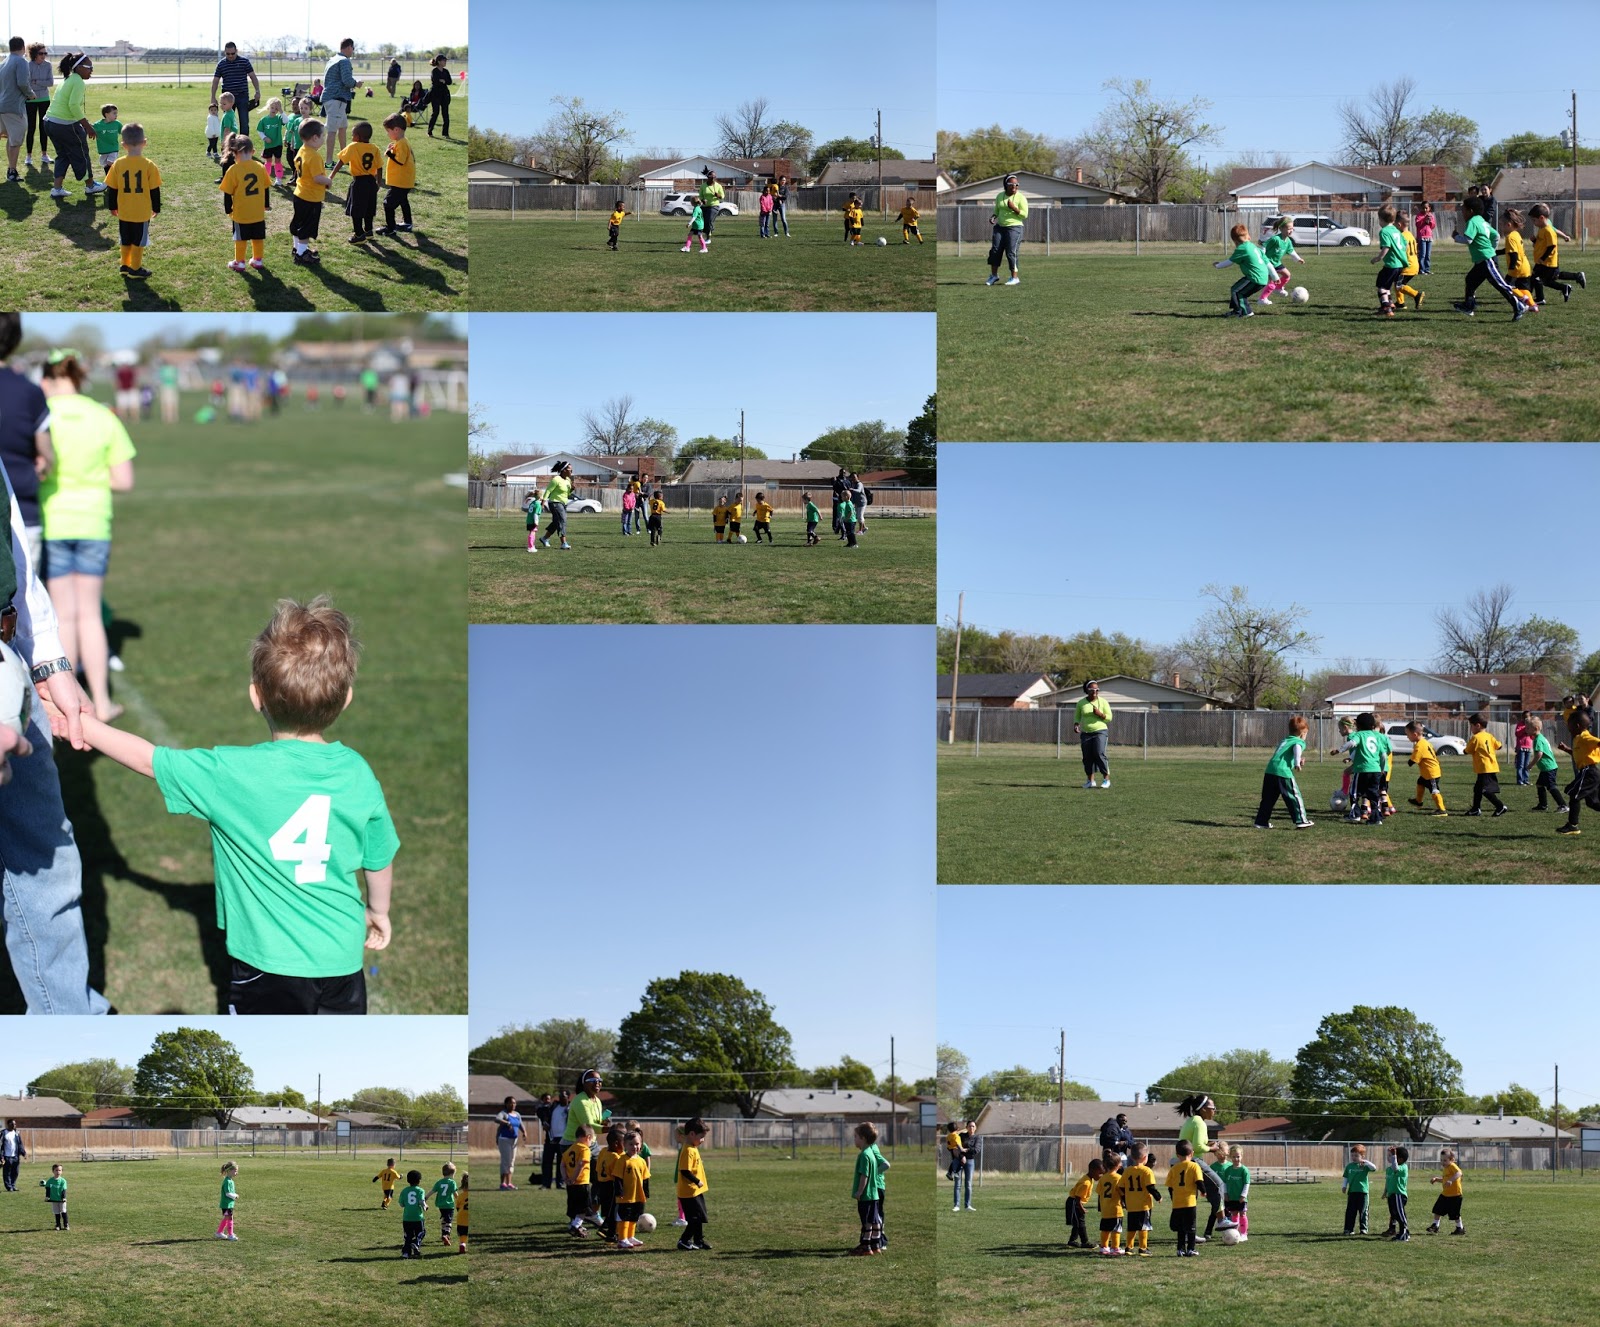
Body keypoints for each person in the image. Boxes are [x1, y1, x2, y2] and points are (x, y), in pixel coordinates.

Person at [76, 596, 400, 1014]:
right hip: (342, 960)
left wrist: (79, 723)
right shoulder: (357, 771)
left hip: (267, 964)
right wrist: (378, 910)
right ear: (346, 698)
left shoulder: (231, 772)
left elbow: (147, 758)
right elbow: (378, 857)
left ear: (255, 695)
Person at [38, 348, 135, 720]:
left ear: (47, 379)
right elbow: (124, 480)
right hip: (94, 521)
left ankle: (73, 707)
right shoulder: (101, 415)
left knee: (63, 615)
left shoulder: (43, 414)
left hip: (54, 521)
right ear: (79, 378)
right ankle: (102, 701)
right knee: (90, 615)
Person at [1452, 195, 1529, 320]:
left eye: (1464, 210)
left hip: (1486, 260)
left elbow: (1468, 240)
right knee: (1470, 280)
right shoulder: (1482, 221)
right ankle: (1469, 306)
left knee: (1501, 285)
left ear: (1470, 211)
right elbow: (1496, 236)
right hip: (1483, 260)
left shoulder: (1472, 222)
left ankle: (1519, 304)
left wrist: (1455, 237)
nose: (1462, 213)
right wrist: (1492, 249)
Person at [43, 53, 105, 199]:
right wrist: (88, 126)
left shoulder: (68, 79)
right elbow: (73, 106)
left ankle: (57, 189)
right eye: (89, 67)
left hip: (49, 123)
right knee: (81, 154)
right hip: (64, 125)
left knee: (63, 155)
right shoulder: (77, 81)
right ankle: (90, 186)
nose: (92, 70)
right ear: (79, 68)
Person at [219, 133, 270, 272]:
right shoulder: (260, 166)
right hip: (258, 212)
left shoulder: (233, 170)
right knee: (257, 236)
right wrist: (266, 204)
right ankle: (258, 260)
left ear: (235, 153)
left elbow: (227, 192)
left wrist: (228, 209)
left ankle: (239, 262)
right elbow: (266, 188)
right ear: (252, 151)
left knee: (240, 238)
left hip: (241, 212)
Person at [1255, 714, 1313, 829]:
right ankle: (1301, 820)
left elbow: (1284, 755)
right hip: (1283, 772)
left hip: (1270, 771)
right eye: (1306, 733)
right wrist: (1297, 762)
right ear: (1303, 733)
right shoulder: (1299, 741)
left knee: (1268, 798)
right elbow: (1297, 748)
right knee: (1294, 796)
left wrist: (1297, 760)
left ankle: (1261, 821)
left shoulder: (1285, 740)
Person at [289, 119, 331, 265]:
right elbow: (317, 178)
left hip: (299, 194)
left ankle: (297, 248)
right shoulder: (314, 156)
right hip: (310, 197)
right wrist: (328, 181)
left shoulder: (302, 150)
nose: (324, 139)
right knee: (306, 226)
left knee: (298, 223)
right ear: (315, 137)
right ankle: (302, 254)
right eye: (323, 136)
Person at [1555, 704, 1600, 836]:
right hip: (1589, 772)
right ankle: (1572, 826)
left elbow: (1597, 742)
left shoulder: (1585, 737)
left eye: (1569, 724)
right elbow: (1579, 754)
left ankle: (1572, 826)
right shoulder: (1578, 739)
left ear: (1577, 726)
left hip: (1589, 772)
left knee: (1574, 795)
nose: (1567, 727)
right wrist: (1567, 750)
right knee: (1592, 803)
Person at [1527, 203, 1586, 304]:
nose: (1533, 223)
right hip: (1542, 261)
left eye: (1534, 220)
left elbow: (1551, 246)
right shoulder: (1542, 229)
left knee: (1540, 278)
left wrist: (1543, 258)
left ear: (1541, 218)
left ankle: (1538, 297)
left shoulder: (1549, 231)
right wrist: (1534, 241)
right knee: (1543, 279)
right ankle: (1563, 288)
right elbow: (1542, 244)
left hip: (1547, 262)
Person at [1214, 223, 1271, 316]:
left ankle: (1245, 312)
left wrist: (1218, 265)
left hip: (1254, 278)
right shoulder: (1253, 247)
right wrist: (1275, 276)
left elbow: (1230, 262)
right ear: (1248, 236)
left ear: (1235, 240)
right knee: (1236, 290)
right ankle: (1236, 310)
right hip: (1262, 278)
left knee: (1237, 292)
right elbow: (1267, 262)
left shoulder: (1242, 248)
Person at [373, 114, 416, 236]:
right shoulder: (401, 141)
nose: (387, 134)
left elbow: (400, 160)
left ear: (396, 130)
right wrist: (392, 151)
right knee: (403, 200)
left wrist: (389, 154)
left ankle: (391, 228)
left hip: (401, 182)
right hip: (403, 181)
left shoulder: (402, 143)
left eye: (388, 131)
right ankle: (407, 223)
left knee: (388, 203)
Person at [1343, 712, 1390, 824]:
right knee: (1373, 794)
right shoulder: (1376, 737)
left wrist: (1339, 750)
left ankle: (1355, 814)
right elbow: (1383, 755)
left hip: (1362, 769)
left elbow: (1352, 744)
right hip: (1376, 770)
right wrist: (1382, 768)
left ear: (1358, 725)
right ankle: (1376, 818)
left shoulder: (1360, 735)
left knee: (1354, 792)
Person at [338, 121, 381, 243]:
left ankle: (358, 234)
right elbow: (380, 166)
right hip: (372, 182)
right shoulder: (374, 148)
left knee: (356, 210)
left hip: (359, 182)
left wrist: (331, 174)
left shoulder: (353, 146)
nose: (352, 138)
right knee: (369, 208)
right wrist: (378, 182)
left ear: (358, 136)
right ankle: (368, 231)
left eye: (352, 135)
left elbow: (341, 161)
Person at [208, 42, 260, 141]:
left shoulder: (244, 61)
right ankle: (228, 145)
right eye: (228, 54)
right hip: (227, 98)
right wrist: (213, 96)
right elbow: (215, 81)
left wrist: (257, 91)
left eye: (232, 53)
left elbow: (253, 76)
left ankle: (244, 145)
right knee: (227, 122)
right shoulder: (221, 64)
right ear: (225, 53)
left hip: (242, 96)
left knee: (244, 122)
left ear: (236, 51)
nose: (230, 56)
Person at [848, 1122, 885, 1255]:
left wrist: (859, 1191)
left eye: (856, 1137)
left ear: (863, 1138)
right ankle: (876, 1246)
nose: (854, 1139)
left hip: (866, 1195)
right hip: (874, 1194)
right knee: (874, 1221)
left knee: (867, 1222)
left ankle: (866, 1247)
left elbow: (865, 1175)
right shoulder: (871, 1152)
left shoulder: (864, 1155)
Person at [1, 40, 35, 182]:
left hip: (2, 105)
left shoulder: (4, 61)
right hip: (14, 107)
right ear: (23, 47)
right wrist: (30, 94)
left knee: (11, 139)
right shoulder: (21, 61)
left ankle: (11, 168)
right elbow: (22, 82)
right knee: (16, 141)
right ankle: (12, 171)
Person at [675, 1117, 711, 1251]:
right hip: (688, 1192)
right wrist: (697, 1181)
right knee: (694, 1218)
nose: (703, 1140)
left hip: (695, 1191)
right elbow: (684, 1171)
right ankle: (684, 1241)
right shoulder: (688, 1150)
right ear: (691, 1134)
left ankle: (699, 1241)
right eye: (701, 1137)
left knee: (699, 1216)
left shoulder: (693, 1148)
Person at [321, 39, 362, 153]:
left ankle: (343, 157)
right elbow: (347, 80)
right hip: (336, 99)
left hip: (332, 98)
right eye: (353, 48)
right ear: (349, 47)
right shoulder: (344, 60)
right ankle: (329, 162)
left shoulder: (332, 59)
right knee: (332, 130)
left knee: (342, 128)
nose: (353, 51)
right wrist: (356, 83)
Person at [1120, 1145, 1161, 1258]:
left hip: (1131, 1205)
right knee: (1144, 1227)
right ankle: (1143, 1248)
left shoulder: (1127, 1171)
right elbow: (1150, 1187)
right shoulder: (1147, 1171)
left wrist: (1124, 1199)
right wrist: (1158, 1197)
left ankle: (1129, 1247)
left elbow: (1121, 1187)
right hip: (1143, 1205)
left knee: (1132, 1227)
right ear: (1144, 1158)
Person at [1464, 713, 1508, 817]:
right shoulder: (1489, 736)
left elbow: (1468, 750)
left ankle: (1500, 806)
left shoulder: (1475, 738)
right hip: (1491, 766)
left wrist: (1464, 750)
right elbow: (1499, 746)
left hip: (1484, 767)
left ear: (1477, 725)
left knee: (1485, 790)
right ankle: (1475, 809)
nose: (1471, 728)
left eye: (1471, 725)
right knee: (1478, 789)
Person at [986, 174, 1027, 285]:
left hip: (1014, 228)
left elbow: (1024, 215)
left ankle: (1014, 278)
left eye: (1016, 185)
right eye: (1011, 184)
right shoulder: (1000, 196)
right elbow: (997, 211)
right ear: (1006, 185)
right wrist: (993, 217)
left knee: (1011, 252)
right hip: (1000, 227)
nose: (1014, 187)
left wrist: (1014, 208)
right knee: (995, 251)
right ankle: (994, 276)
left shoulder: (1021, 197)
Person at [1368, 204, 1408, 317]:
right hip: (1400, 264)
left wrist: (1378, 258)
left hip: (1391, 265)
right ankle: (1389, 304)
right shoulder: (1396, 230)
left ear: (1381, 219)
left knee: (1381, 286)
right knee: (1387, 286)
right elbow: (1405, 244)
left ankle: (1387, 309)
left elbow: (1387, 247)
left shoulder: (1384, 231)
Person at [1167, 1140, 1204, 1257]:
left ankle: (1180, 1249)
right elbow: (1199, 1181)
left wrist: (1173, 1198)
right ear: (1192, 1154)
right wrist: (1204, 1191)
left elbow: (1170, 1187)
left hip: (1177, 1203)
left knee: (1180, 1228)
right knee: (1191, 1227)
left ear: (1177, 1155)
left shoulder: (1174, 1168)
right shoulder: (1194, 1166)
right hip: (1190, 1202)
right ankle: (1191, 1249)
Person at [613, 1131, 650, 1250]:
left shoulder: (641, 1161)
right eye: (631, 1144)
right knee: (624, 1217)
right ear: (625, 1145)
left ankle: (630, 1237)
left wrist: (646, 1191)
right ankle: (622, 1239)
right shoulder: (622, 1160)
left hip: (638, 1196)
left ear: (641, 1145)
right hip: (626, 1196)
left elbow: (645, 1178)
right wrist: (619, 1191)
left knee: (634, 1217)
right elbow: (617, 1177)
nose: (634, 1147)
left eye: (637, 1144)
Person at [1074, 680, 1113, 789]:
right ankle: (1090, 781)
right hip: (1086, 733)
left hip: (1100, 731)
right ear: (1087, 690)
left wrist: (1100, 714)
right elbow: (1077, 716)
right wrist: (1076, 724)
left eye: (1097, 689)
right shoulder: (1081, 703)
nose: (1095, 691)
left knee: (1099, 753)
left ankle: (1106, 779)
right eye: (1092, 689)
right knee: (1087, 757)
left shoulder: (1103, 702)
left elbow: (1109, 717)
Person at [1404, 721, 1448, 816]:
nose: (1407, 737)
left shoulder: (1420, 745)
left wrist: (1410, 762)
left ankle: (1442, 810)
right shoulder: (1425, 742)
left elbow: (1414, 759)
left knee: (1434, 790)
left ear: (1415, 734)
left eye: (1407, 734)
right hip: (1427, 772)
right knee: (1420, 782)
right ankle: (1418, 801)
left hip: (1431, 773)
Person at [1257, 216, 1304, 304]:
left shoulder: (1288, 241)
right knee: (1272, 282)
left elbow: (1291, 251)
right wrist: (1262, 258)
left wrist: (1298, 259)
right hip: (1269, 264)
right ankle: (1262, 299)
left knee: (1287, 275)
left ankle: (1278, 288)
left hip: (1276, 263)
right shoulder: (1275, 239)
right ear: (1281, 228)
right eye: (1289, 228)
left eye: (1292, 229)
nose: (1291, 231)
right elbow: (1263, 246)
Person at [1528, 716, 1567, 813]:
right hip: (1547, 768)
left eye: (1528, 728)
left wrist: (1530, 765)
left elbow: (1539, 754)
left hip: (1548, 768)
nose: (1526, 729)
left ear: (1535, 729)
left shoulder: (1538, 740)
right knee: (1539, 785)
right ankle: (1543, 805)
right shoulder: (1540, 737)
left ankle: (1563, 806)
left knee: (1551, 786)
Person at [564, 1124, 596, 1237]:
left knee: (574, 1207)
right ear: (587, 1137)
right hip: (581, 1183)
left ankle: (575, 1226)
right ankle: (575, 1226)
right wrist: (574, 1178)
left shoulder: (570, 1149)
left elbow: (562, 1164)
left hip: (570, 1185)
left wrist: (566, 1178)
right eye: (591, 1140)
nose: (591, 1143)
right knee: (584, 1208)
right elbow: (581, 1164)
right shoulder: (585, 1149)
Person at [1426, 1149, 1465, 1235]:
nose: (1442, 1162)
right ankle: (1435, 1226)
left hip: (1455, 1195)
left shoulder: (1452, 1166)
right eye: (1441, 1160)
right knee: (1437, 1210)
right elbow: (1445, 1180)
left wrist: (1451, 1180)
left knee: (1455, 1214)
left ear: (1452, 1160)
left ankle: (1460, 1228)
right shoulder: (1446, 1168)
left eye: (1445, 1160)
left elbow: (1459, 1173)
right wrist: (1436, 1179)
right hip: (1445, 1194)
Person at [1342, 1143, 1378, 1234]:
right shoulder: (1349, 1166)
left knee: (1363, 1211)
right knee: (1350, 1211)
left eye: (1356, 1156)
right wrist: (1344, 1186)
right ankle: (1349, 1229)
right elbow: (1346, 1177)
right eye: (1352, 1155)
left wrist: (1365, 1162)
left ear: (1362, 1156)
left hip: (1363, 1192)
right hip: (1352, 1192)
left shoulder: (1365, 1165)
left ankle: (1363, 1229)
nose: (1354, 1157)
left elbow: (1374, 1168)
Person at [1095, 1151, 1125, 1255]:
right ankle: (1115, 1248)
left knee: (1105, 1229)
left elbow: (1099, 1193)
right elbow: (1122, 1192)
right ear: (1118, 1165)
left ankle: (1104, 1247)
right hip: (1116, 1209)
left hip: (1105, 1209)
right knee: (1116, 1230)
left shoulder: (1102, 1178)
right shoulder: (1119, 1178)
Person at [1066, 1158, 1100, 1249]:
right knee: (1079, 1223)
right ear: (1093, 1170)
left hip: (1076, 1202)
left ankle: (1072, 1241)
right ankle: (1084, 1242)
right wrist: (1080, 1207)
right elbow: (1077, 1197)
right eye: (1099, 1173)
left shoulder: (1089, 1179)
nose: (1101, 1176)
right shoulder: (1086, 1182)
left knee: (1078, 1223)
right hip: (1074, 1202)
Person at [539, 461, 573, 550]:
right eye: (570, 469)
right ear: (564, 470)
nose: (571, 471)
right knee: (562, 520)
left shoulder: (568, 480)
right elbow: (548, 491)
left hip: (563, 503)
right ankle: (563, 543)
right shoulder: (556, 479)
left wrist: (572, 489)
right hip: (555, 503)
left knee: (556, 522)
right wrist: (543, 502)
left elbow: (567, 493)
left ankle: (544, 538)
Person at [1393, 213, 1424, 310]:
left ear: (1399, 224)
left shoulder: (1401, 236)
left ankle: (1417, 295)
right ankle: (1400, 303)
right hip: (1414, 263)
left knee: (1399, 286)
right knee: (1396, 282)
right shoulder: (1410, 234)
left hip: (1407, 266)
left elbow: (1401, 251)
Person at [495, 1095, 526, 1189]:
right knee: (506, 1161)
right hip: (504, 1140)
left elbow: (520, 1124)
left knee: (512, 1161)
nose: (513, 1105)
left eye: (514, 1103)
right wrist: (507, 1123)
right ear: (506, 1104)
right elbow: (497, 1119)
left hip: (514, 1140)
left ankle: (509, 1183)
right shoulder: (504, 1113)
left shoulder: (517, 1114)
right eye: (511, 1103)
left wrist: (524, 1132)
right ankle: (502, 1184)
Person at [544, 1089, 571, 1189]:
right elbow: (545, 1116)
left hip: (564, 1138)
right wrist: (545, 1124)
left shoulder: (570, 1108)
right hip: (552, 1138)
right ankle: (546, 1184)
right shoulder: (554, 1107)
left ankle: (560, 1183)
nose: (561, 1098)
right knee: (547, 1161)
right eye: (560, 1096)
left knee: (561, 1162)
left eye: (563, 1096)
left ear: (568, 1097)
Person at [255, 97, 286, 183]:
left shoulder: (279, 118)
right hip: (268, 145)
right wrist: (264, 137)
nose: (274, 110)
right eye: (272, 107)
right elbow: (259, 130)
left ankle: (278, 179)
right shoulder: (264, 120)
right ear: (269, 107)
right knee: (268, 161)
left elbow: (286, 121)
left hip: (278, 144)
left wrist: (281, 111)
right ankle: (266, 178)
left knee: (278, 161)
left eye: (276, 108)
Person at [398, 1168, 427, 1257]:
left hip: (407, 1218)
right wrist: (425, 1206)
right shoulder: (420, 1190)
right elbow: (421, 1201)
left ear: (408, 1180)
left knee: (408, 1236)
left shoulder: (404, 1191)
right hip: (418, 1217)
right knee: (421, 1232)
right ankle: (415, 1243)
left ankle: (406, 1253)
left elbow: (401, 1204)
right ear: (419, 1181)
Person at [1222, 1144, 1249, 1240]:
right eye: (1234, 1157)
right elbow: (1224, 1183)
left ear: (1241, 1156)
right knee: (1234, 1214)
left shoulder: (1244, 1170)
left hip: (1241, 1198)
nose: (1236, 1159)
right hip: (1231, 1197)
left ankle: (1244, 1233)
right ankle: (1235, 1233)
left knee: (1242, 1214)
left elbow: (1246, 1184)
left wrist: (1243, 1195)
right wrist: (1225, 1194)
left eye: (1238, 1156)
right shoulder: (1228, 1170)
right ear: (1230, 1157)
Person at [1383, 1146, 1410, 1241]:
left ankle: (1404, 1235)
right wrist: (1385, 1192)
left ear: (1400, 1159)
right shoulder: (1389, 1169)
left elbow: (1396, 1168)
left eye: (1392, 1156)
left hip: (1398, 1195)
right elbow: (1388, 1181)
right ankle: (1402, 1232)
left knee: (1400, 1215)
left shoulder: (1403, 1167)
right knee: (1394, 1214)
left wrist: (1394, 1155)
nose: (1389, 1157)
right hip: (1391, 1195)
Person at [430, 1163, 459, 1245]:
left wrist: (425, 1198)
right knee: (449, 1221)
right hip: (449, 1205)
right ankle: (446, 1234)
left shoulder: (439, 1182)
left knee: (444, 1219)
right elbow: (455, 1194)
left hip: (441, 1205)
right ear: (451, 1174)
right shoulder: (452, 1183)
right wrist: (460, 1200)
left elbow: (432, 1191)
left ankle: (443, 1234)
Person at [953, 1119, 977, 1211]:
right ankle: (956, 1206)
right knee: (957, 1184)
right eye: (970, 1126)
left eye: (973, 1126)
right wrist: (962, 1155)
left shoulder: (977, 1138)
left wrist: (964, 1149)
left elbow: (976, 1150)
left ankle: (968, 1206)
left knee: (968, 1184)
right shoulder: (961, 1136)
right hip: (959, 1159)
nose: (971, 1128)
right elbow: (955, 1143)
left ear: (975, 1128)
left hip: (970, 1161)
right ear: (966, 1127)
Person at [426, 55, 452, 138]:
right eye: (444, 60)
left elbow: (449, 81)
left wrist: (444, 81)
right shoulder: (434, 71)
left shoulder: (446, 71)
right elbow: (435, 81)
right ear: (439, 61)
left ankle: (445, 133)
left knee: (445, 114)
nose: (445, 62)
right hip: (435, 94)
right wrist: (441, 81)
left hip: (444, 94)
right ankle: (430, 131)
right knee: (435, 113)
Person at [91, 102, 121, 171]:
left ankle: (116, 173)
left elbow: (123, 131)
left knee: (110, 162)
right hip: (103, 149)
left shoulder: (117, 124)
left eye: (116, 113)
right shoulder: (98, 124)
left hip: (113, 148)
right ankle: (109, 178)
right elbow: (90, 129)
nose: (116, 115)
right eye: (114, 113)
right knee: (105, 165)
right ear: (106, 114)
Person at [697, 167, 724, 241]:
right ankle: (707, 233)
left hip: (714, 206)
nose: (713, 178)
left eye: (714, 177)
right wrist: (703, 200)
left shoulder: (718, 186)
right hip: (705, 206)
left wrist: (717, 195)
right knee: (704, 222)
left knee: (709, 220)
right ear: (707, 177)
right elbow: (700, 196)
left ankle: (708, 238)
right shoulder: (703, 186)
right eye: (711, 177)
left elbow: (722, 196)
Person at [216, 1162, 239, 1240]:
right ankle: (230, 1235)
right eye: (235, 1170)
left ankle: (219, 1232)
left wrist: (234, 1194)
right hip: (226, 1204)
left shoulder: (230, 1180)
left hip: (228, 1204)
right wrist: (235, 1196)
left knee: (226, 1218)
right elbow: (227, 1193)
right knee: (230, 1218)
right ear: (229, 1171)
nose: (236, 1172)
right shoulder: (227, 1181)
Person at [1, 1118, 25, 1190]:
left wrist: (23, 1153)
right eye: (12, 1124)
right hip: (6, 1157)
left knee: (16, 1172)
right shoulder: (3, 1133)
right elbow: (0, 1145)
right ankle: (9, 1187)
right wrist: (1, 1157)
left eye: (15, 1124)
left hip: (15, 1157)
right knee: (7, 1173)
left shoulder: (16, 1133)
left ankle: (13, 1185)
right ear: (8, 1124)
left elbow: (20, 1144)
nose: (14, 1125)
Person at [43, 1162, 68, 1229]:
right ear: (53, 1171)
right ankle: (58, 1225)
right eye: (56, 1170)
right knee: (56, 1212)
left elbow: (64, 1190)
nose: (58, 1172)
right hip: (54, 1199)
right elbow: (48, 1189)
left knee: (63, 1211)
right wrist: (47, 1197)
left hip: (61, 1199)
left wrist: (64, 1197)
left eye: (59, 1170)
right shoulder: (50, 1181)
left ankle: (66, 1225)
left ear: (62, 1171)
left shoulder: (63, 1181)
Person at [1415, 201, 1437, 274]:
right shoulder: (1419, 216)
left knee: (1428, 255)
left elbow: (1433, 226)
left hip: (1429, 237)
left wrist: (1430, 221)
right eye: (1423, 208)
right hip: (1422, 237)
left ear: (1429, 208)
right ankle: (1421, 269)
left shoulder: (1431, 216)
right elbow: (1418, 224)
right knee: (1422, 254)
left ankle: (1427, 269)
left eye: (1426, 208)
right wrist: (1424, 220)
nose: (1425, 210)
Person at [1514, 711, 1534, 786]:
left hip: (1528, 747)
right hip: (1521, 747)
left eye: (1527, 717)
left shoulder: (1531, 725)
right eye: (1524, 717)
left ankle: (1526, 779)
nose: (1526, 718)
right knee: (1521, 765)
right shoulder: (1520, 724)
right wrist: (1525, 728)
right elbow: (1517, 733)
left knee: (1527, 764)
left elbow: (1532, 736)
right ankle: (1520, 780)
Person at [523, 488, 542, 553]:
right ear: (540, 496)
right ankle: (531, 547)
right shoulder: (538, 504)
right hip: (533, 521)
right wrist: (536, 522)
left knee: (531, 533)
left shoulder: (532, 503)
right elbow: (536, 514)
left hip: (529, 520)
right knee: (532, 533)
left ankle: (531, 546)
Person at [455, 1173, 469, 1253]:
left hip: (461, 1217)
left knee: (463, 1233)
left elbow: (457, 1207)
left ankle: (463, 1244)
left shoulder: (460, 1196)